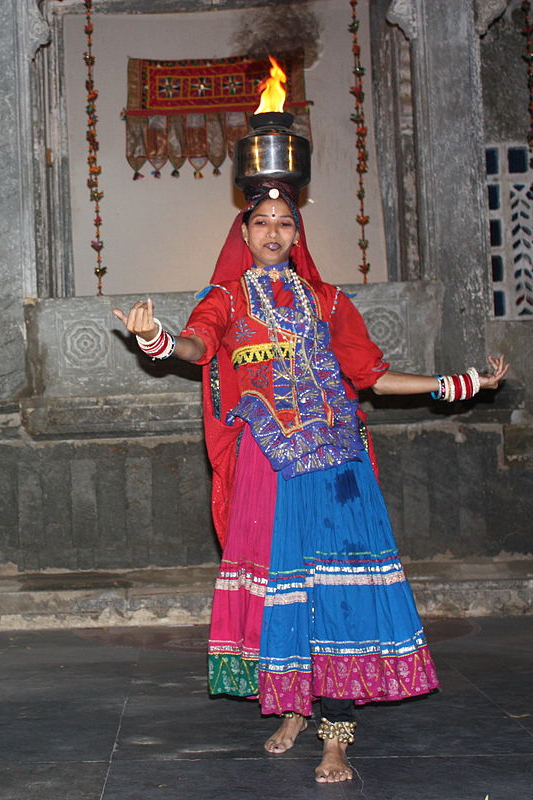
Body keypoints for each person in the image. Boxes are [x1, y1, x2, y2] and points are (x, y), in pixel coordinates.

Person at [114, 181, 508, 783]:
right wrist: (155, 339)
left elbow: (371, 376)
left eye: (285, 223)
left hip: (337, 466)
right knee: (284, 592)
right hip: (268, 467)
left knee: (337, 595)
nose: (273, 232)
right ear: (244, 234)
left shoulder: (327, 300)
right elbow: (198, 346)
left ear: (298, 235)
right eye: (262, 222)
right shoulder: (226, 298)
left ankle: (336, 737)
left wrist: (458, 384)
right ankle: (294, 707)